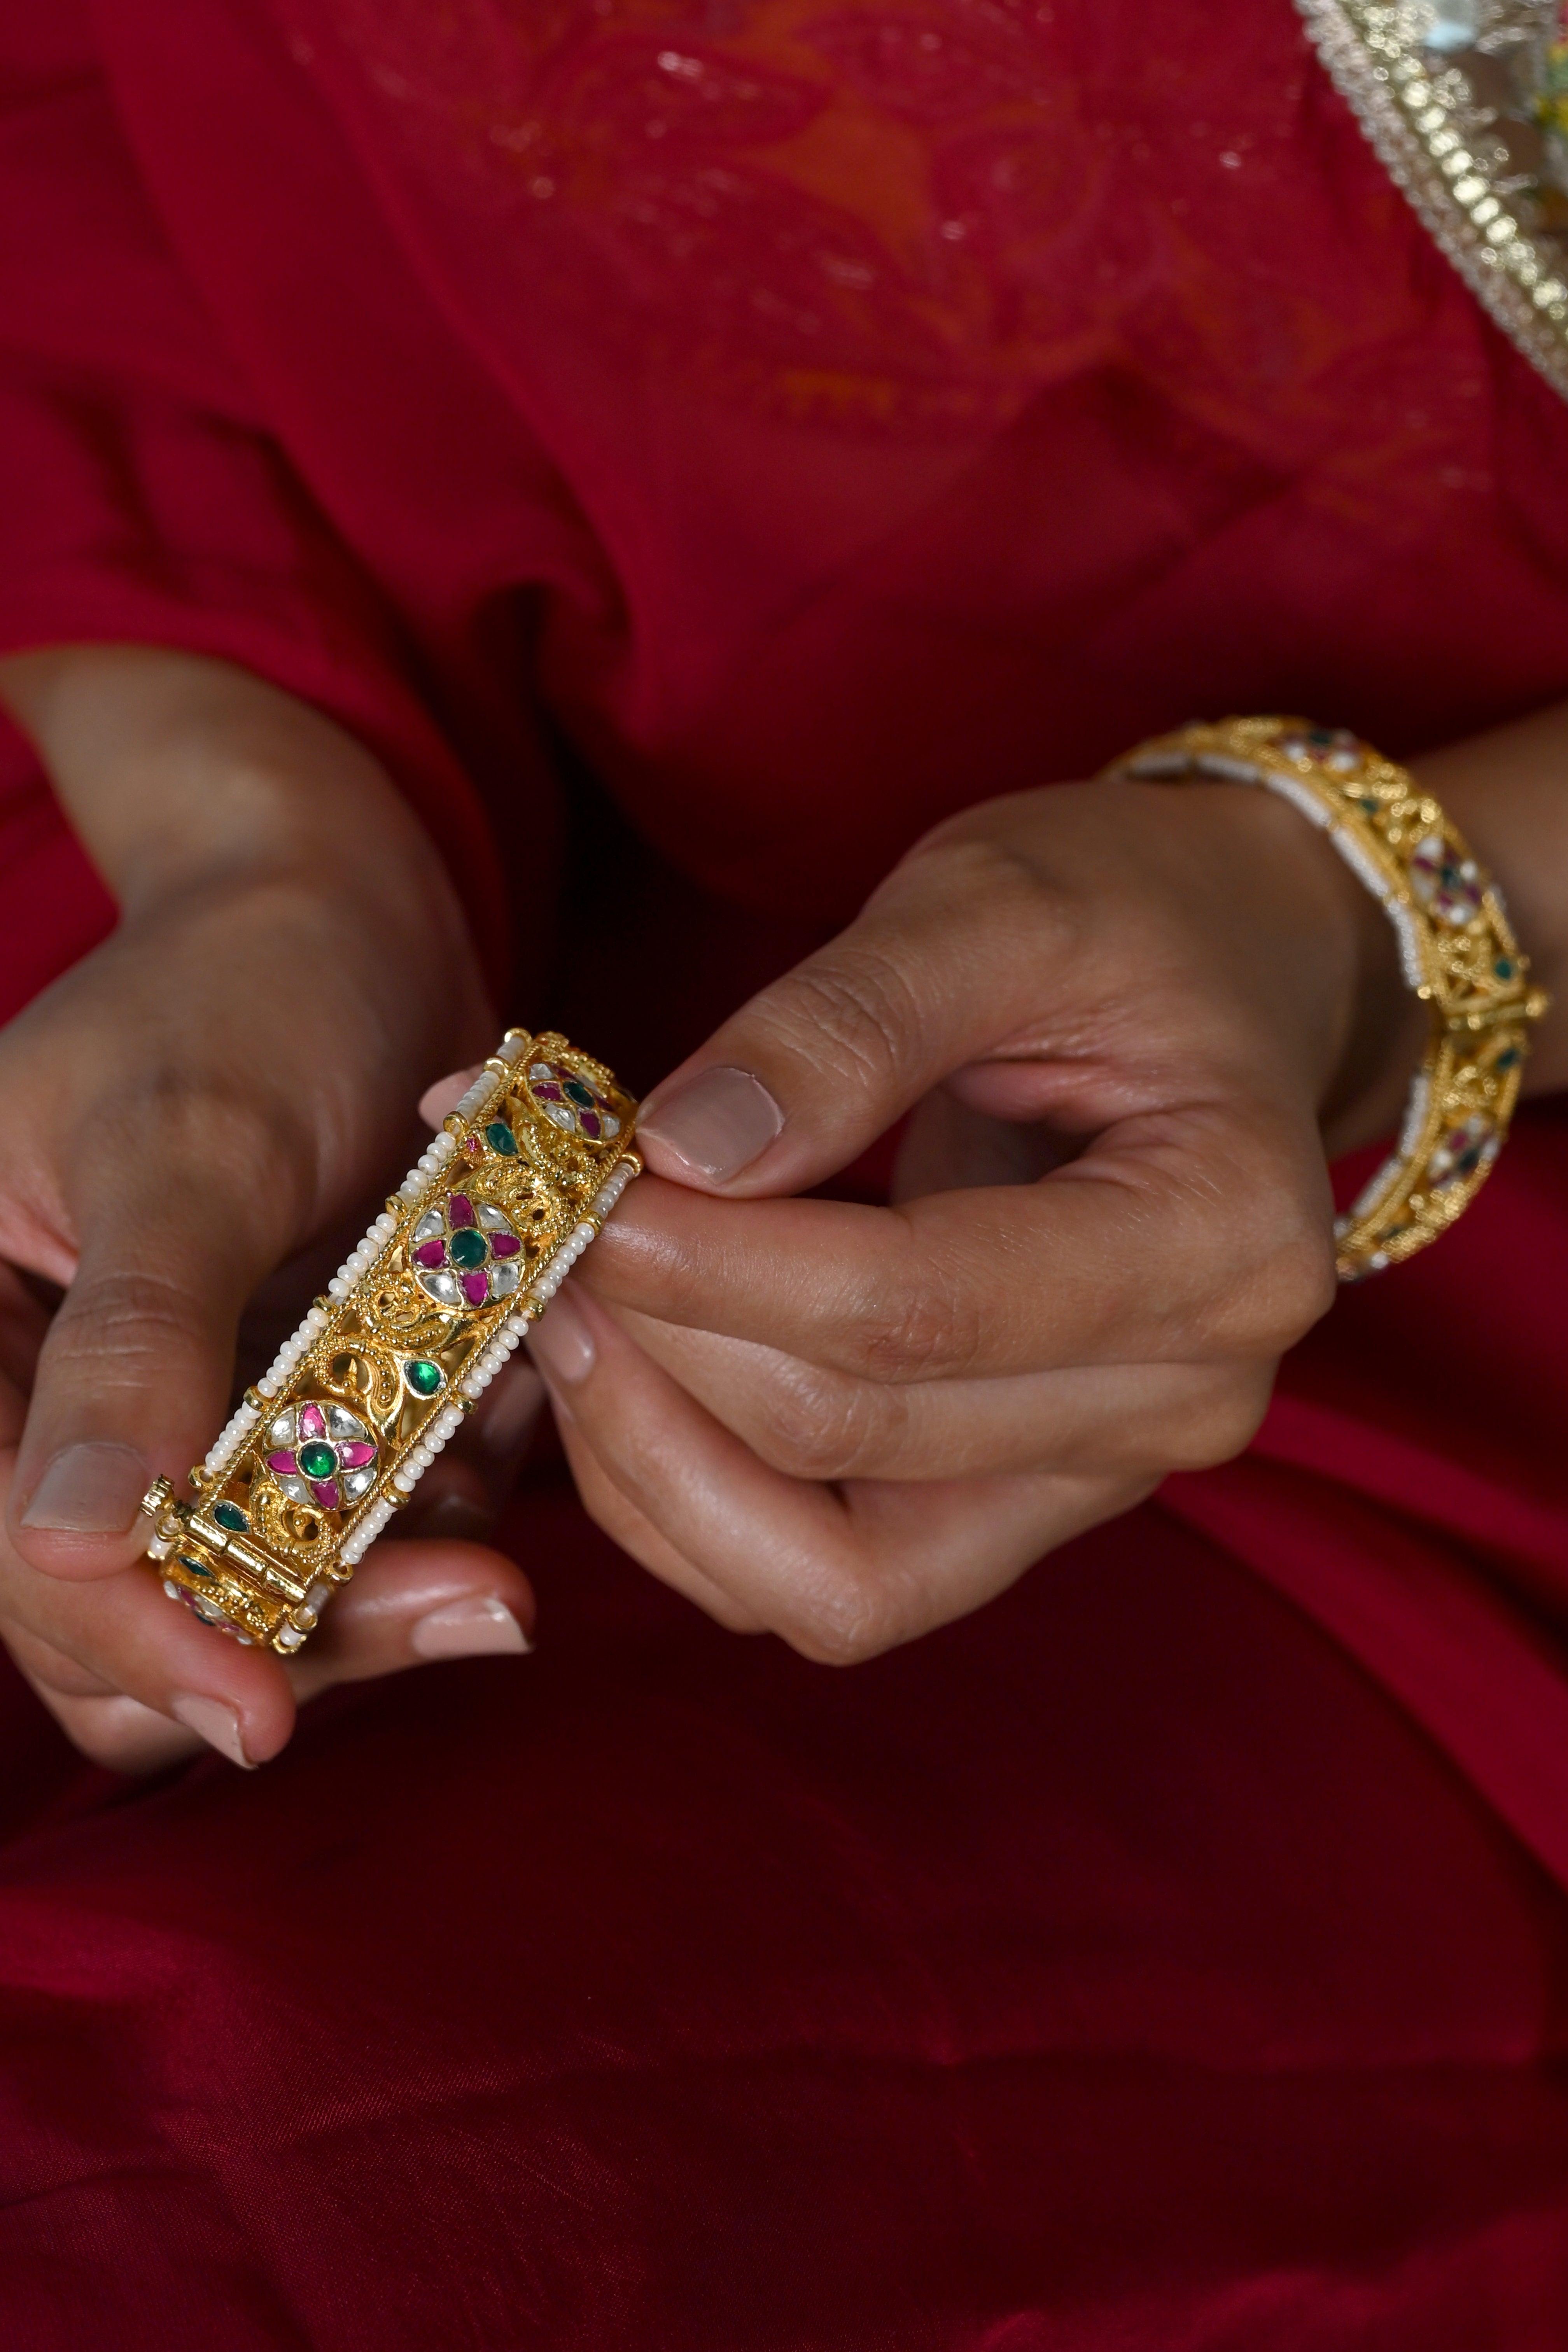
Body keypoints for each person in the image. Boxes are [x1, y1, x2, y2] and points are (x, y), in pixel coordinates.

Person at [4, 0, 1568, 2340]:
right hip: (378, 846)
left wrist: (1372, 931)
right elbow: (106, 144)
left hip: (1404, 1298)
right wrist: (266, 855)